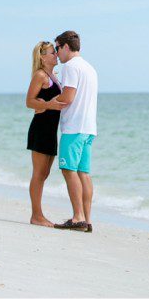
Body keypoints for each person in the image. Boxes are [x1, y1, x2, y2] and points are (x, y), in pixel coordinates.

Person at [52, 30, 98, 233]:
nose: (56, 53)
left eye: (57, 48)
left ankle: (78, 217)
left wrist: (48, 103)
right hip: (88, 128)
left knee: (68, 170)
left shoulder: (70, 66)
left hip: (73, 128)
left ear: (66, 47)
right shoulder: (89, 67)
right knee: (83, 173)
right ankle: (87, 220)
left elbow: (68, 97)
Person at [25, 41, 66, 227]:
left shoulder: (54, 75)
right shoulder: (40, 75)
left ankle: (38, 214)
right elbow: (29, 101)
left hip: (51, 130)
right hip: (40, 128)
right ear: (42, 57)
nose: (56, 55)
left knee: (45, 173)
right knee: (39, 174)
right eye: (52, 53)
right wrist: (47, 105)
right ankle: (36, 216)